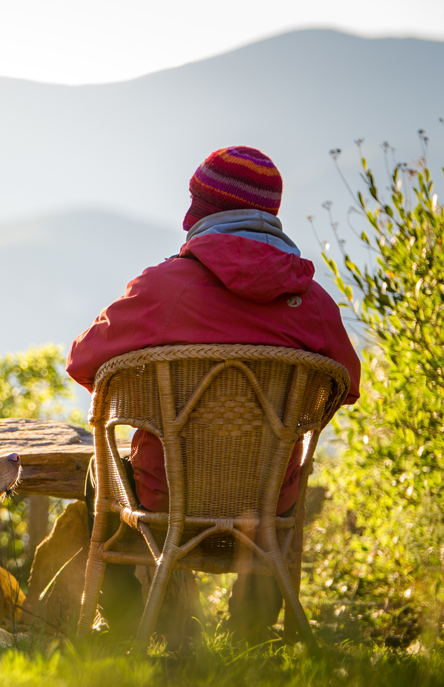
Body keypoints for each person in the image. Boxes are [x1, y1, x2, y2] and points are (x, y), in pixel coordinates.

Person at [67, 146, 362, 639]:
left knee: (103, 467)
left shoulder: (162, 287)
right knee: (285, 484)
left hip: (161, 505)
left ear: (202, 209)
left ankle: (118, 625)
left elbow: (84, 363)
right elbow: (346, 385)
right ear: (270, 212)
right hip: (267, 510)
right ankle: (252, 632)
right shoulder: (311, 301)